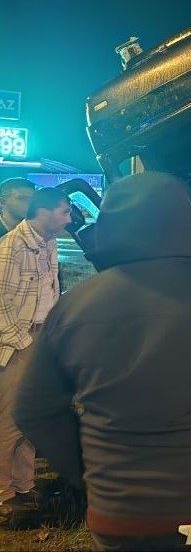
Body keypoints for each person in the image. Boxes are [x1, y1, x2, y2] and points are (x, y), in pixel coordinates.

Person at [13, 172, 191, 551]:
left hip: (118, 518)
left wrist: (90, 473)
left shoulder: (73, 307)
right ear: (186, 222)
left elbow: (33, 408)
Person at [0, 188, 71, 523]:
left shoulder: (47, 242)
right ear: (43, 212)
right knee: (11, 421)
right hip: (20, 342)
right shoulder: (12, 247)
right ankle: (4, 493)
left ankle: (24, 485)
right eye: (64, 212)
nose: (69, 219)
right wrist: (24, 343)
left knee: (31, 419)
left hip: (40, 338)